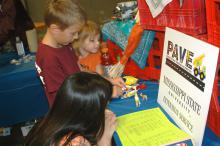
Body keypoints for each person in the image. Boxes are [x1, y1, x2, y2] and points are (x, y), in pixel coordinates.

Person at [24, 72, 117, 146]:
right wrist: (105, 140)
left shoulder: (51, 122)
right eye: (104, 105)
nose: (106, 108)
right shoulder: (75, 142)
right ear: (88, 113)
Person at [35, 0, 86, 107]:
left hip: (80, 102)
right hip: (70, 112)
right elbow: (65, 97)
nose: (76, 37)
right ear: (55, 29)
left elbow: (79, 72)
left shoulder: (65, 42)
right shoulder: (48, 58)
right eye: (73, 33)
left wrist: (107, 82)